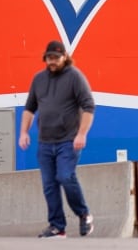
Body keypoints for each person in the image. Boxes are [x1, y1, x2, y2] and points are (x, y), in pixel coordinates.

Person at [18, 40, 95, 239]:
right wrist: (24, 133)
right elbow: (29, 108)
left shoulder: (75, 77)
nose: (52, 61)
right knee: (49, 185)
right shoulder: (39, 79)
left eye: (56, 58)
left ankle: (84, 214)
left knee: (66, 176)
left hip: (68, 141)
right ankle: (57, 227)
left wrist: (82, 134)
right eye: (49, 58)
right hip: (45, 142)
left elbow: (88, 107)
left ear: (64, 57)